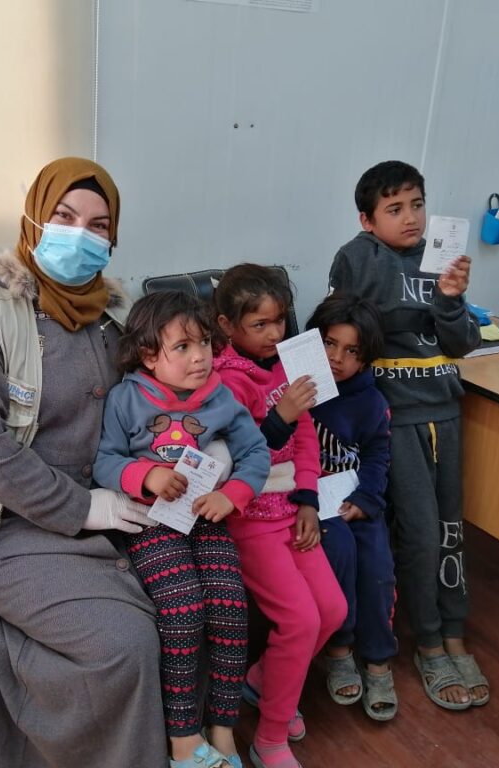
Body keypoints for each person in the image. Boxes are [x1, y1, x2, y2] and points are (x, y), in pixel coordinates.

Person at [0, 157, 169, 767]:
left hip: (118, 502)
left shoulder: (114, 319)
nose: (80, 234)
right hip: (2, 524)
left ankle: (188, 741)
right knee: (127, 642)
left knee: (208, 594)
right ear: (33, 218)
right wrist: (86, 507)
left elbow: (148, 404)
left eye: (99, 224)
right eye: (64, 216)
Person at [327, 160, 489, 711]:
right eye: (394, 208)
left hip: (445, 410)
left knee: (450, 531)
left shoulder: (440, 258)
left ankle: (452, 635)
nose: (411, 217)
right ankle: (426, 641)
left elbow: (462, 342)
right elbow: (342, 336)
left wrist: (448, 298)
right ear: (368, 219)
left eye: (417, 204)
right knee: (418, 534)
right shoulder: (357, 258)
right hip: (395, 416)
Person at [94, 290, 271, 768]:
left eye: (205, 345)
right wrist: (144, 476)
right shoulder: (125, 399)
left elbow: (255, 453)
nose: (200, 357)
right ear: (150, 356)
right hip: (150, 525)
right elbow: (105, 460)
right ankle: (182, 737)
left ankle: (223, 726)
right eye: (183, 347)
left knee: (230, 607)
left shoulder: (221, 396)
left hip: (206, 520)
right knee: (183, 608)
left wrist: (231, 494)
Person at [211, 264, 347, 768]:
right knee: (300, 618)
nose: (274, 335)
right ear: (227, 326)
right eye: (259, 325)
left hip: (292, 513)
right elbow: (232, 463)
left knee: (331, 612)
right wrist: (278, 417)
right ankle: (269, 738)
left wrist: (308, 500)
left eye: (280, 322)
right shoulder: (223, 380)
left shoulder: (290, 365)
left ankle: (265, 682)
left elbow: (308, 437)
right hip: (249, 519)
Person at [305, 294, 399, 721]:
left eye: (351, 351)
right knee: (338, 555)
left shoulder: (370, 401)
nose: (337, 358)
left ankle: (378, 659)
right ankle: (340, 649)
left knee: (378, 567)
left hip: (355, 498)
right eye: (329, 343)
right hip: (312, 504)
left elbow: (379, 453)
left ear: (366, 358)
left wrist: (366, 501)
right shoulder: (297, 386)